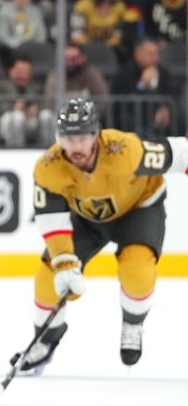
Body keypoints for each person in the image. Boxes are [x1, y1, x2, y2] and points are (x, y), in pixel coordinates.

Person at [13, 97, 188, 374]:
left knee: (138, 270)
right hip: (87, 218)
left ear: (96, 134)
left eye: (83, 137)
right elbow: (52, 220)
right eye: (68, 138)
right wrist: (65, 264)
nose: (76, 147)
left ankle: (132, 323)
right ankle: (44, 342)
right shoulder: (49, 167)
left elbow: (180, 153)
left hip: (138, 208)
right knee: (48, 277)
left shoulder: (125, 150)